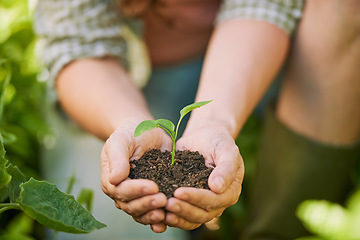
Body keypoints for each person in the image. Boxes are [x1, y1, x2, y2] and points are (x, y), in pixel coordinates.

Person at [34, 0, 360, 240]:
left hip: (270, 51)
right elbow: (76, 40)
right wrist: (128, 123)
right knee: (106, 230)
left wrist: (213, 121)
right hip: (131, 80)